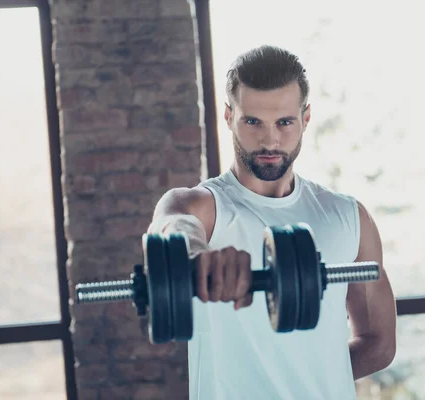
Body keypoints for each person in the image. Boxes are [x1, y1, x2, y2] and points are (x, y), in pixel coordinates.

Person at [148, 45, 397, 400]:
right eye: (253, 122)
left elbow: (380, 343)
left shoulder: (347, 218)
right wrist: (195, 257)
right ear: (228, 116)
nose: (269, 140)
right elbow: (173, 225)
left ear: (305, 118)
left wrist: (314, 380)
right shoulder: (204, 206)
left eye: (284, 122)